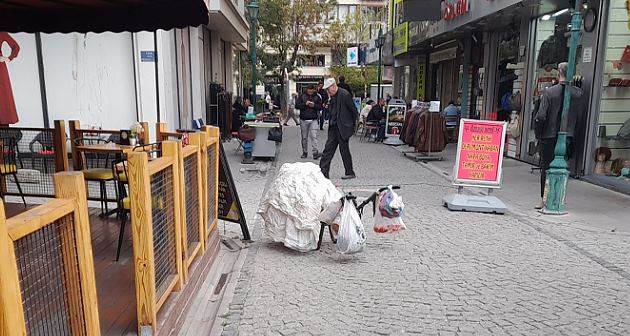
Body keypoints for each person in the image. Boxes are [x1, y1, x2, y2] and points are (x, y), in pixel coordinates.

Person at [534, 62, 582, 209]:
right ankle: (559, 198)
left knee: (546, 168)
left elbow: (541, 116)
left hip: (549, 135)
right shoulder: (578, 93)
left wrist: (538, 133)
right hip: (568, 136)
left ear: (558, 73)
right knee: (562, 168)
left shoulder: (549, 92)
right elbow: (579, 118)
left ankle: (544, 198)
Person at [319, 78, 358, 179]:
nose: (328, 92)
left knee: (343, 150)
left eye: (328, 89)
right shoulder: (333, 97)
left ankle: (349, 172)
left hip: (343, 127)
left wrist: (352, 126)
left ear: (333, 86)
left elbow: (353, 111)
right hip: (334, 126)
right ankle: (323, 172)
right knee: (328, 149)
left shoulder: (344, 94)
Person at [296, 85, 323, 159]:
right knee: (304, 137)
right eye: (309, 90)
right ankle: (305, 152)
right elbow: (297, 106)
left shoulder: (317, 97)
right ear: (307, 89)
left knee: (314, 136)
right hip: (303, 119)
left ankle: (315, 152)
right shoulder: (302, 96)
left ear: (314, 90)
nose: (310, 91)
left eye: (312, 90)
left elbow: (320, 107)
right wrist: (305, 104)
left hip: (313, 119)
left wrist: (314, 105)